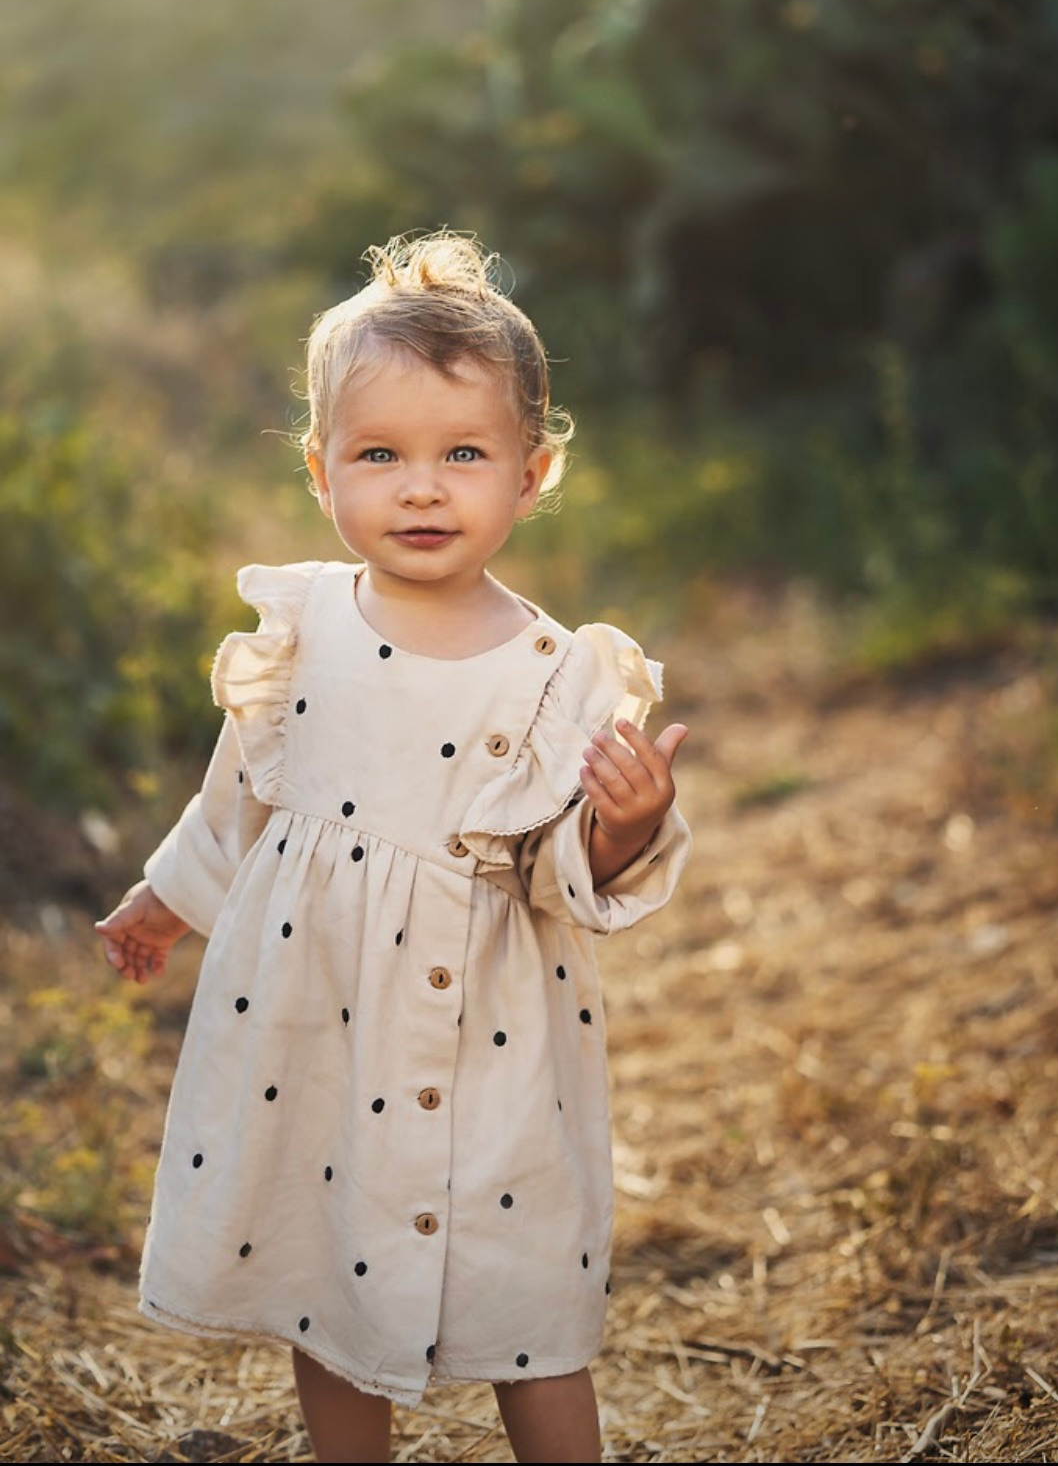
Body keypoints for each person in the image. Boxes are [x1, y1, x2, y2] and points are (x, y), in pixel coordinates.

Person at [95, 231, 691, 1465]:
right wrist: (164, 895)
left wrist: (622, 825)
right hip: (316, 1011)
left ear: (531, 474)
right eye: (381, 454)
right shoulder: (304, 625)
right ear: (322, 471)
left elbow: (557, 870)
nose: (422, 488)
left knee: (527, 1288)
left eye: (463, 453)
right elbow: (242, 798)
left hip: (492, 1034)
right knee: (329, 1254)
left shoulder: (557, 674)